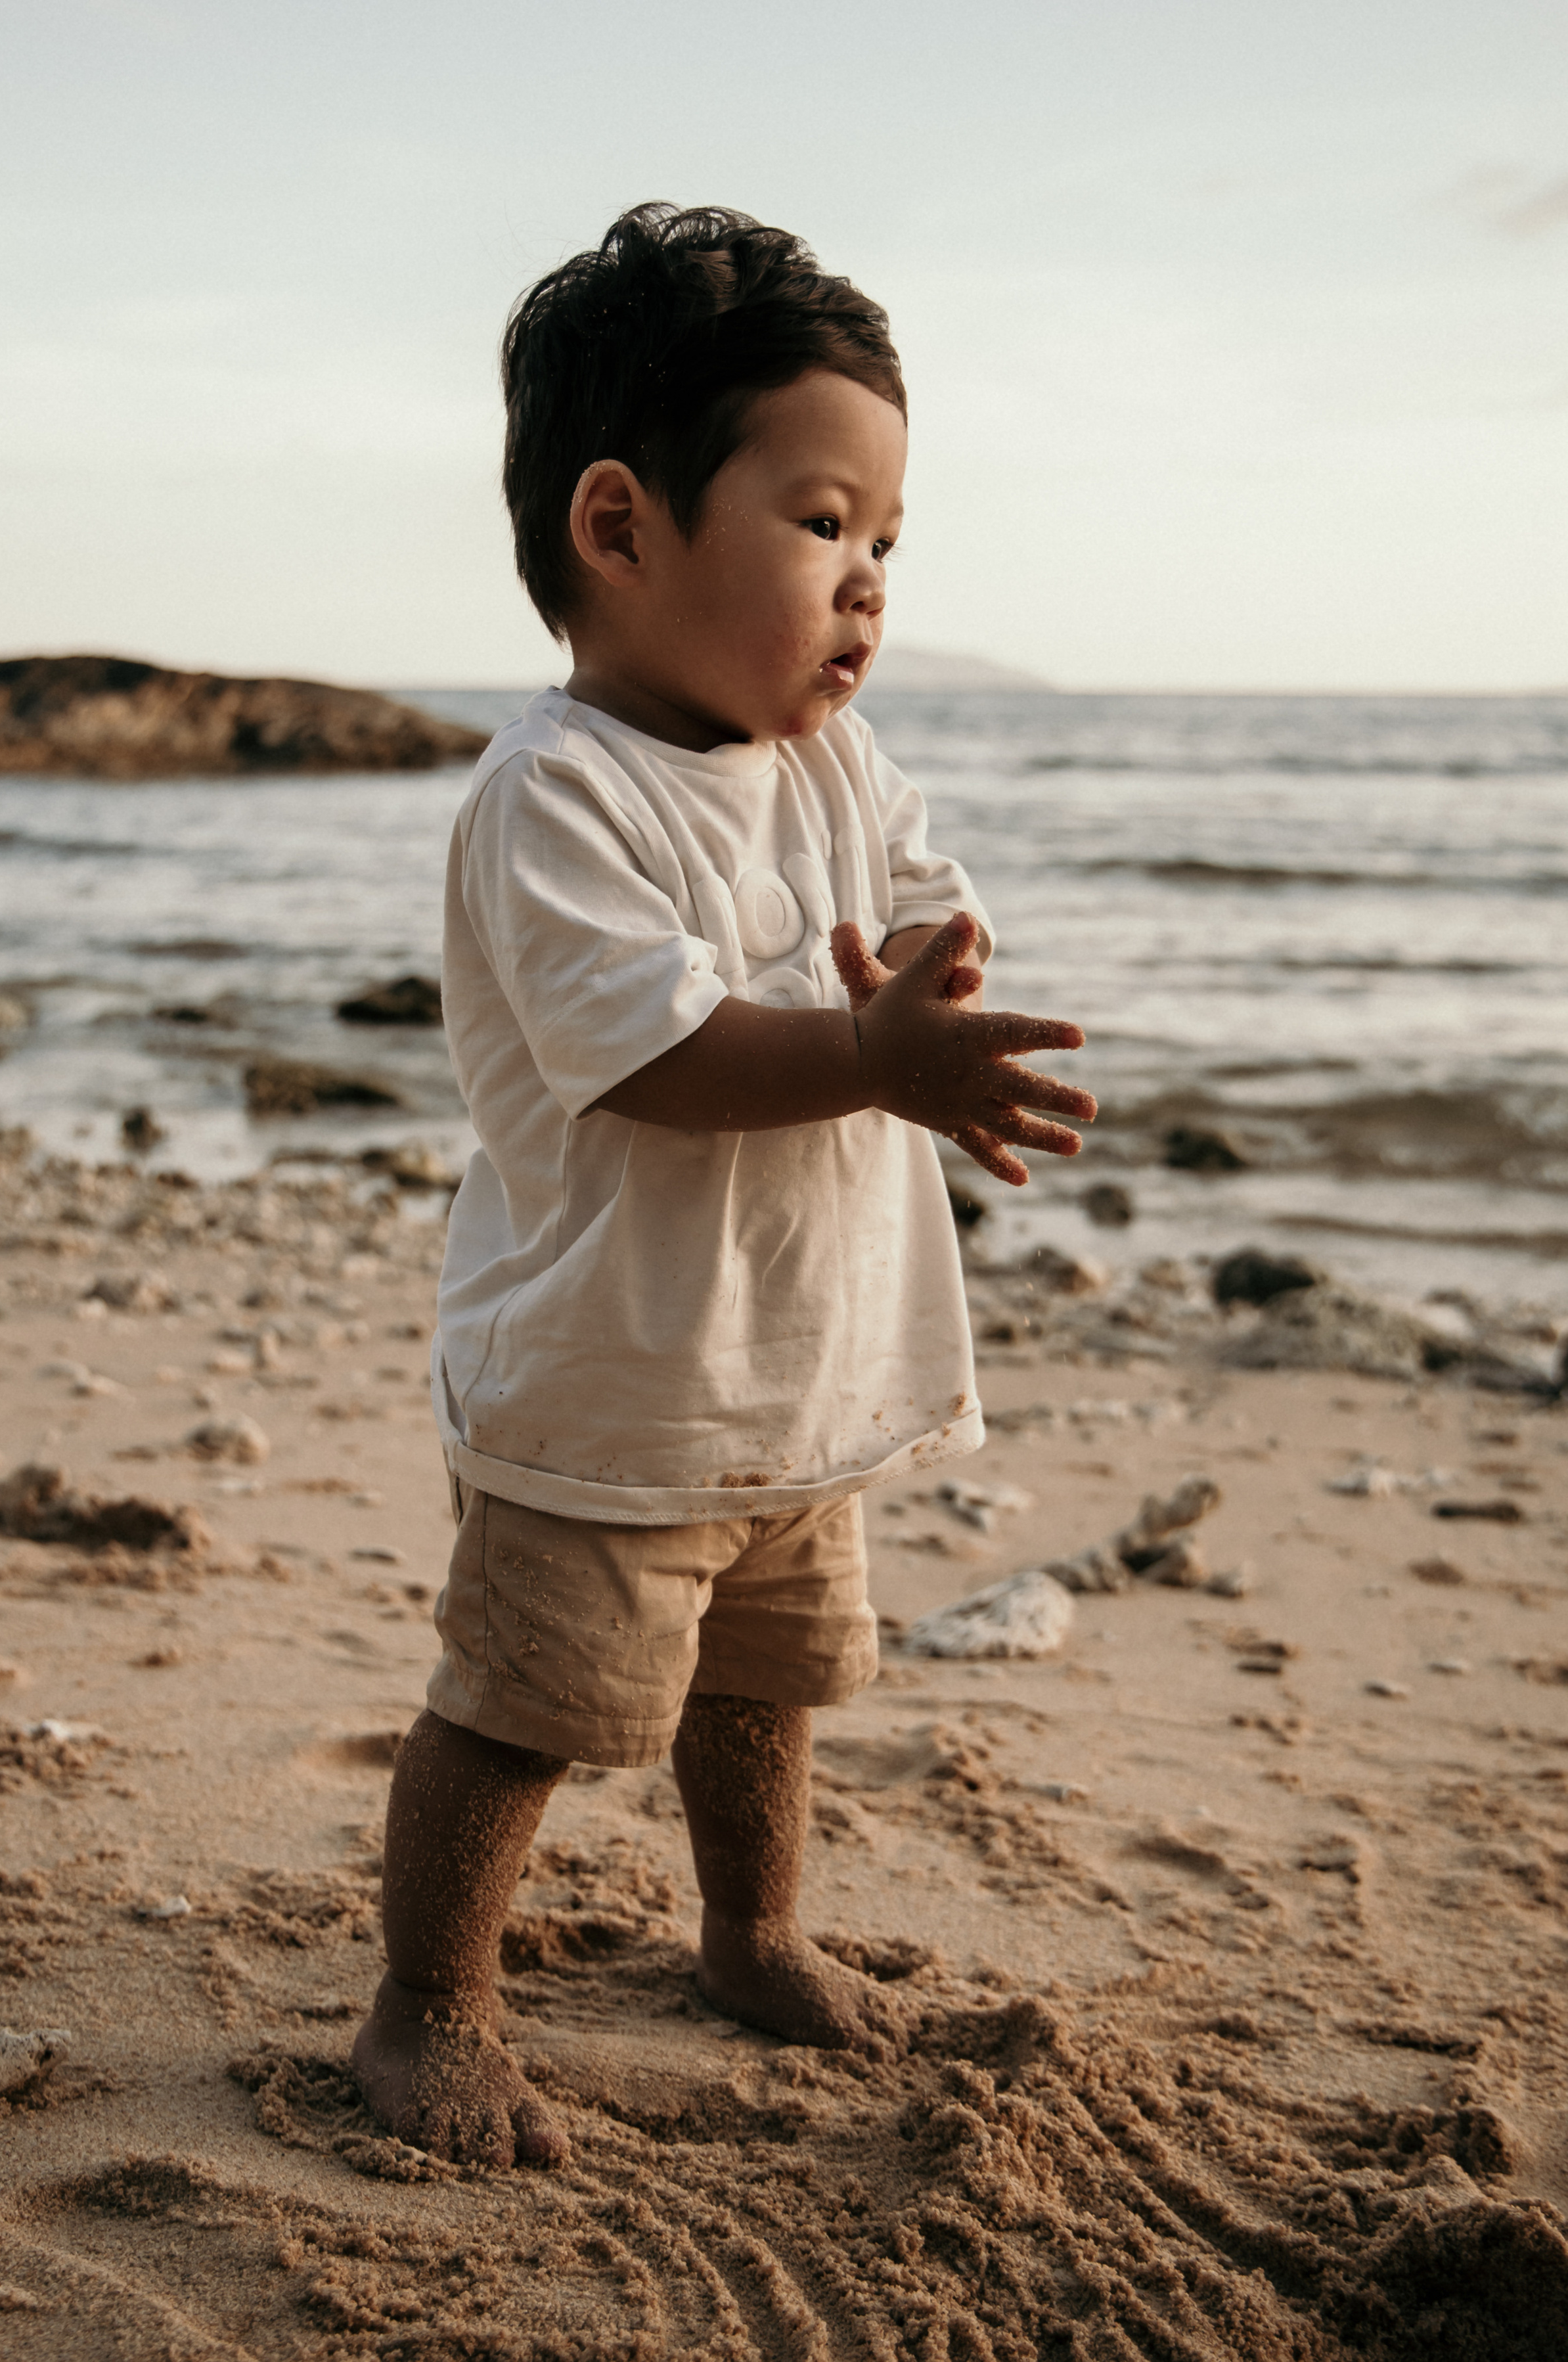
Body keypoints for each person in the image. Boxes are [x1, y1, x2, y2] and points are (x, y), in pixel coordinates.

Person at [353, 203, 1096, 2168]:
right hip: (607, 1391)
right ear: (622, 528)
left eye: (887, 546)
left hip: (793, 1374)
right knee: (522, 1702)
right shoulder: (559, 797)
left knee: (762, 1686)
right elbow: (663, 1051)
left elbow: (922, 904)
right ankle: (427, 2004)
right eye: (824, 523)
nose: (868, 588)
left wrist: (932, 998)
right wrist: (871, 1055)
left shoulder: (834, 765)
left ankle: (752, 1926)